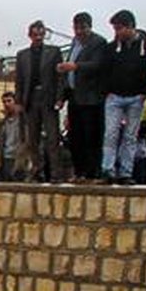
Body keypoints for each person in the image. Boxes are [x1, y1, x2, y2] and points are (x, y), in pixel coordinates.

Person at [100, 10, 146, 185]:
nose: (117, 33)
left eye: (120, 29)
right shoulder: (111, 47)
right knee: (111, 133)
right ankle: (108, 169)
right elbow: (104, 70)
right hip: (114, 97)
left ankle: (126, 171)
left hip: (136, 97)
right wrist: (107, 91)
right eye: (115, 29)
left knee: (131, 136)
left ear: (131, 27)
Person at [56, 12, 108, 183]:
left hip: (91, 98)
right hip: (75, 97)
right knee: (75, 137)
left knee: (91, 136)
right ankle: (79, 171)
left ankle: (93, 172)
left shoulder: (98, 42)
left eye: (82, 28)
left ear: (89, 27)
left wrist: (76, 66)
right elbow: (68, 73)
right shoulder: (74, 43)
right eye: (76, 28)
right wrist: (62, 95)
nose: (79, 31)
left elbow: (98, 65)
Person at [13, 20, 63, 181]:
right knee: (32, 139)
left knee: (52, 137)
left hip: (48, 98)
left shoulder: (54, 52)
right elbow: (19, 80)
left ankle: (55, 173)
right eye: (35, 34)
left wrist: (60, 98)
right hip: (30, 99)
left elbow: (60, 77)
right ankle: (37, 170)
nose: (38, 37)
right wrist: (19, 102)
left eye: (41, 34)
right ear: (30, 36)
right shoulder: (22, 56)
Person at [0, 92, 29, 181]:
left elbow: (28, 140)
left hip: (19, 159)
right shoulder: (2, 124)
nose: (6, 104)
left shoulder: (24, 122)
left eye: (9, 101)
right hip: (6, 159)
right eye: (4, 102)